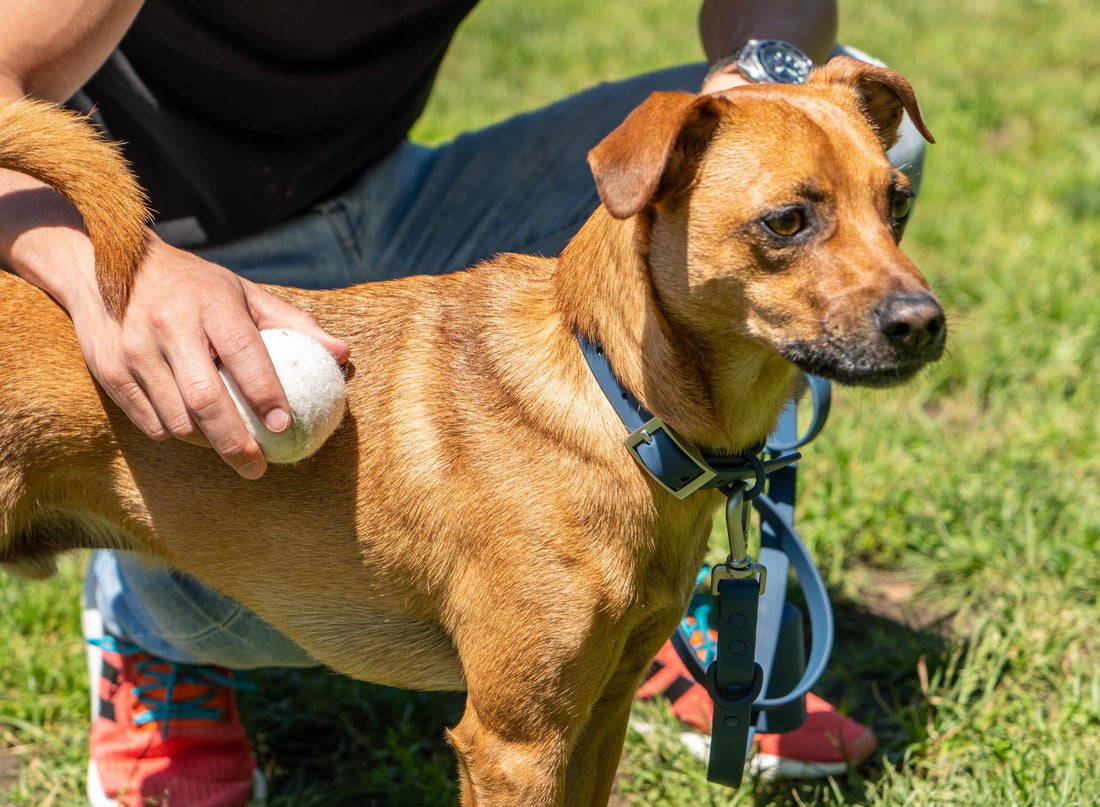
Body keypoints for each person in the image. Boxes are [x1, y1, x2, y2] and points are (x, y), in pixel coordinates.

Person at [0, 1, 925, 804]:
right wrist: (114, 280)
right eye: (786, 226)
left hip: (385, 188)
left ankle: (678, 608)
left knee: (845, 127)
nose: (904, 292)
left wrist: (764, 85)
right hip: (152, 241)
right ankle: (151, 636)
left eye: (893, 211)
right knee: (523, 728)